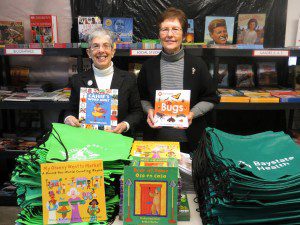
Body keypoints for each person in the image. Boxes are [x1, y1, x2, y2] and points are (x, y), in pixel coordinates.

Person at [137, 7, 220, 153]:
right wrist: (149, 110)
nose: (170, 35)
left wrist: (192, 114)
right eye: (164, 29)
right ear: (159, 34)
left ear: (183, 35)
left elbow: (211, 98)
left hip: (191, 141)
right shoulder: (148, 66)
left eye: (175, 29)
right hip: (156, 142)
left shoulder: (198, 65)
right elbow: (141, 98)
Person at [64, 28, 143, 135]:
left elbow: (137, 112)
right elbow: (69, 110)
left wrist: (125, 124)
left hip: (119, 139)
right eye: (96, 46)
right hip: (88, 139)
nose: (101, 50)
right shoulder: (77, 80)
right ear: (89, 53)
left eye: (106, 45)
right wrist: (69, 118)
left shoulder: (129, 78)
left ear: (113, 51)